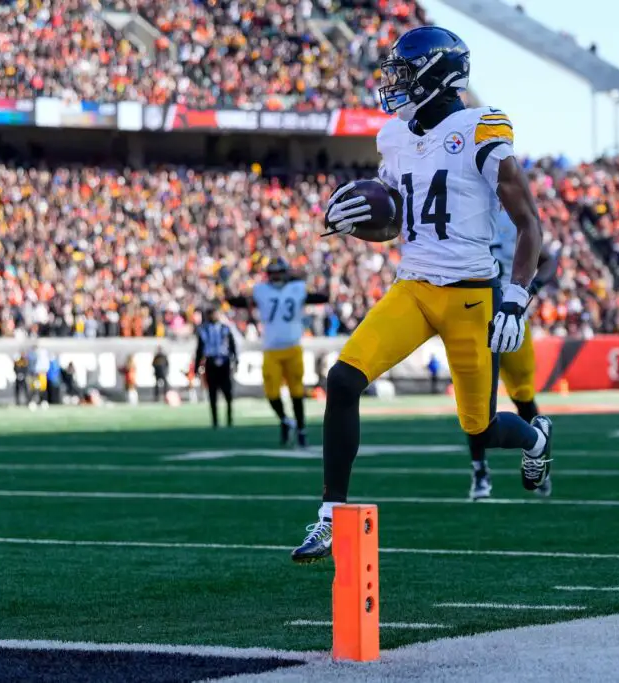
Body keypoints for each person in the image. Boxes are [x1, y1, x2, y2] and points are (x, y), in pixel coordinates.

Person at [292, 26, 552, 563]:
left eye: (407, 72)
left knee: (479, 429)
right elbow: (398, 222)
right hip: (412, 287)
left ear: (438, 73)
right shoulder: (395, 134)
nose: (397, 83)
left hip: (471, 297)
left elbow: (529, 223)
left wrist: (516, 297)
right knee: (342, 380)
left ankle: (535, 440)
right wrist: (364, 220)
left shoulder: (481, 127)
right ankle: (330, 516)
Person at [468, 208, 557, 500]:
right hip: (470, 318)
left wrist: (531, 287)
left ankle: (538, 458)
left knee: (523, 395)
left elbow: (547, 261)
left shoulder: (514, 218)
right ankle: (479, 471)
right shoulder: (462, 211)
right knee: (474, 401)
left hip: (511, 317)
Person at [228, 257, 329, 447]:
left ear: (285, 272)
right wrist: (227, 290)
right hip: (271, 349)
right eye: (272, 272)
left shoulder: (297, 288)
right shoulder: (261, 290)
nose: (275, 276)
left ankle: (301, 429)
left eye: (278, 272)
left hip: (293, 348)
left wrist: (327, 281)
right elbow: (238, 302)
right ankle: (285, 420)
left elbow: (321, 298)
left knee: (297, 392)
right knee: (271, 392)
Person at [194, 307, 238, 429]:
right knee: (212, 393)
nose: (213, 316)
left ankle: (229, 419)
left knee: (227, 393)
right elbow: (199, 350)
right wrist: (197, 366)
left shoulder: (225, 328)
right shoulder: (204, 330)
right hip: (211, 362)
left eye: (215, 314)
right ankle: (215, 421)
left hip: (224, 362)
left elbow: (233, 345)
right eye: (211, 314)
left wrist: (236, 360)